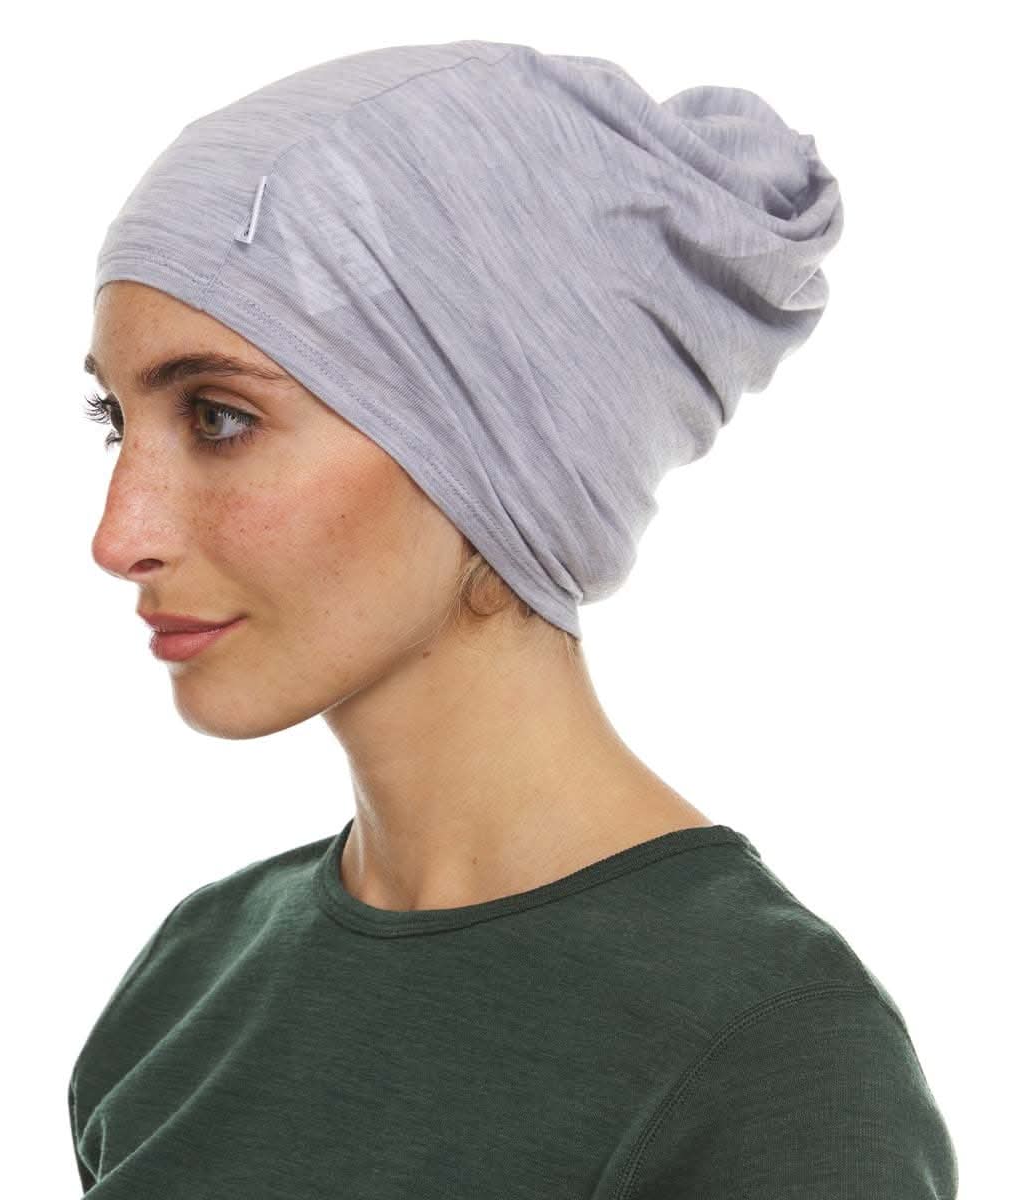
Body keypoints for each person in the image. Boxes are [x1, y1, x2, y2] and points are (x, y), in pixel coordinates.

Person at [68, 39, 958, 1198]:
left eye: (219, 418)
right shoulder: (192, 982)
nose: (119, 534)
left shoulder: (766, 1055)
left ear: (491, 440)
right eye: (114, 421)